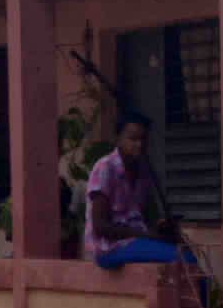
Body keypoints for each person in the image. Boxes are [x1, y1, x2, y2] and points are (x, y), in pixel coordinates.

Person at [84, 113, 196, 268]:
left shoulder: (142, 170)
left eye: (143, 140)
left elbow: (144, 216)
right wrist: (146, 235)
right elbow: (100, 226)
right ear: (118, 138)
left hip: (135, 240)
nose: (139, 144)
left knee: (188, 253)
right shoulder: (105, 167)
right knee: (184, 259)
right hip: (109, 248)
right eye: (133, 139)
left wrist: (162, 228)